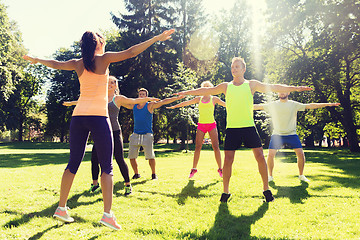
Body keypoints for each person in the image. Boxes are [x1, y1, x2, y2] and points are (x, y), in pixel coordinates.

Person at [23, 29, 174, 230]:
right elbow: (131, 52)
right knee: (107, 166)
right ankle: (107, 215)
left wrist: (36, 59)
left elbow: (56, 64)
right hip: (98, 117)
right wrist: (156, 38)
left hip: (78, 117)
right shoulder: (103, 59)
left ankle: (61, 207)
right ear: (98, 44)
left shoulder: (78, 63)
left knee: (73, 163)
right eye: (103, 42)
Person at [175, 57, 312, 203]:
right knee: (228, 160)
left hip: (248, 127)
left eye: (237, 67)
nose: (234, 69)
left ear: (243, 69)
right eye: (232, 67)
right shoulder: (226, 86)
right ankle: (225, 192)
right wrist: (187, 92)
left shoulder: (251, 84)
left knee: (259, 156)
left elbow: (273, 86)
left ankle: (266, 189)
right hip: (232, 128)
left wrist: (295, 88)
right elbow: (206, 90)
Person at [63, 76, 159, 196]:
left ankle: (128, 185)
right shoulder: (99, 97)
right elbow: (83, 101)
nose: (111, 84)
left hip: (114, 131)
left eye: (113, 82)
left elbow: (133, 101)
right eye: (108, 82)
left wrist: (149, 99)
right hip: (100, 132)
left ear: (116, 85)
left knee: (119, 159)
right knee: (94, 159)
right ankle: (95, 184)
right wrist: (71, 103)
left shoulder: (118, 98)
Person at [254, 92, 340, 182]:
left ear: (288, 92)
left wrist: (329, 104)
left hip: (291, 134)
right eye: (280, 90)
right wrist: (240, 105)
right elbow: (257, 106)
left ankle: (301, 175)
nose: (282, 93)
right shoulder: (273, 105)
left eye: (284, 91)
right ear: (278, 93)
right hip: (277, 134)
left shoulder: (293, 104)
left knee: (300, 154)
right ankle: (270, 176)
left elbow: (310, 105)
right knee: (271, 155)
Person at [167, 81, 226, 178]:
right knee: (198, 146)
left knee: (216, 147)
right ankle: (194, 169)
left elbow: (226, 105)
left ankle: (220, 169)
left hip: (212, 125)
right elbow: (187, 102)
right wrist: (175, 106)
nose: (206, 88)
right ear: (202, 88)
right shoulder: (199, 99)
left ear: (211, 88)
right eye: (205, 87)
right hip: (201, 125)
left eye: (208, 87)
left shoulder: (214, 99)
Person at [122, 88, 184, 180]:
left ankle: (154, 174)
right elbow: (122, 102)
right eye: (140, 94)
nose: (141, 96)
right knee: (131, 156)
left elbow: (163, 102)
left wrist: (177, 98)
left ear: (146, 96)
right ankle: (136, 174)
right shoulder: (134, 105)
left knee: (150, 156)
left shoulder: (150, 105)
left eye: (143, 94)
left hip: (147, 135)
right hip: (135, 135)